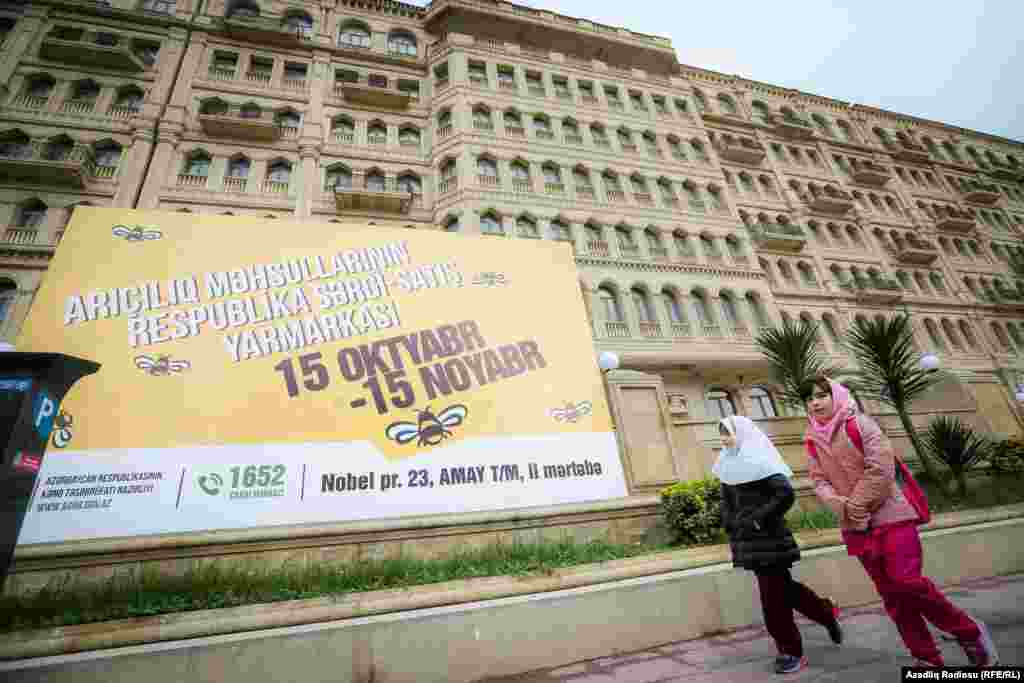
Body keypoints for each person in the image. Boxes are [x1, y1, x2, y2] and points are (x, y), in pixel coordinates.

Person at [801, 375, 999, 667]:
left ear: (837, 396)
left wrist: (855, 504)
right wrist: (841, 506)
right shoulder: (812, 438)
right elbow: (818, 481)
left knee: (907, 582)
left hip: (891, 516)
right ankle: (926, 658)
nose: (814, 402)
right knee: (893, 598)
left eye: (821, 395)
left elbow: (881, 469)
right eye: (809, 398)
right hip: (856, 527)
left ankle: (968, 631)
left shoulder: (862, 424)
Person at [716, 415, 842, 675]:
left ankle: (790, 651)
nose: (724, 439)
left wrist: (758, 520)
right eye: (722, 434)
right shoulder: (727, 464)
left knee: (772, 599)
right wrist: (729, 521)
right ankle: (824, 611)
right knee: (783, 590)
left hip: (770, 539)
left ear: (741, 434)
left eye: (727, 433)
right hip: (747, 541)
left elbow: (785, 493)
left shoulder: (760, 459)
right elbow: (726, 500)